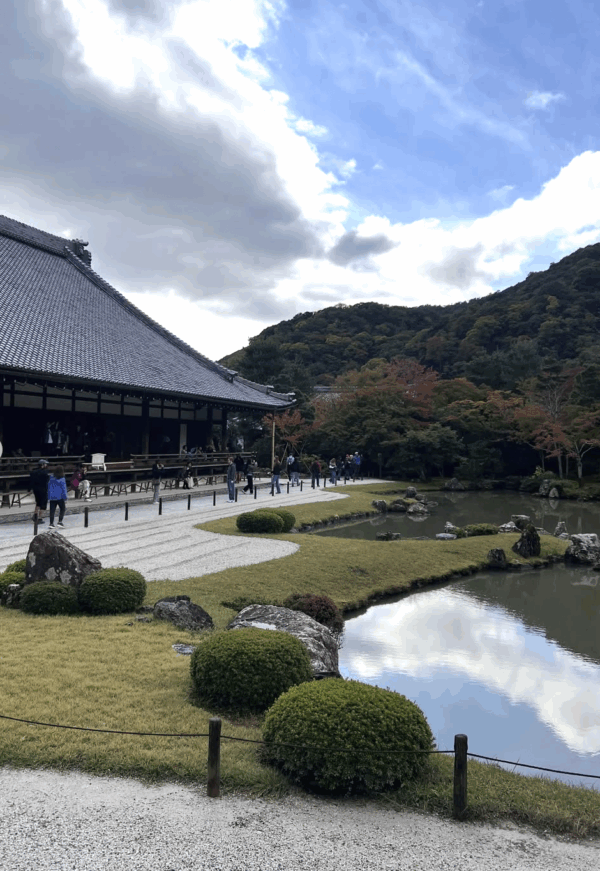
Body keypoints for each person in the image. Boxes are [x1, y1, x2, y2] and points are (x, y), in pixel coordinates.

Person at [29, 458, 50, 524]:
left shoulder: (33, 472)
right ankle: (40, 518)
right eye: (45, 464)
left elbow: (31, 481)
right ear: (43, 465)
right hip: (43, 489)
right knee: (43, 504)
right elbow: (47, 481)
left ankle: (35, 515)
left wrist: (29, 489)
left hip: (36, 489)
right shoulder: (45, 472)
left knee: (38, 502)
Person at [48, 464, 68, 529]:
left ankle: (51, 523)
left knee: (52, 510)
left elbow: (48, 487)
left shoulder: (51, 478)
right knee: (62, 509)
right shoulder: (62, 479)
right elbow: (64, 489)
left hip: (52, 496)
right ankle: (60, 522)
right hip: (60, 497)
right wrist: (65, 497)